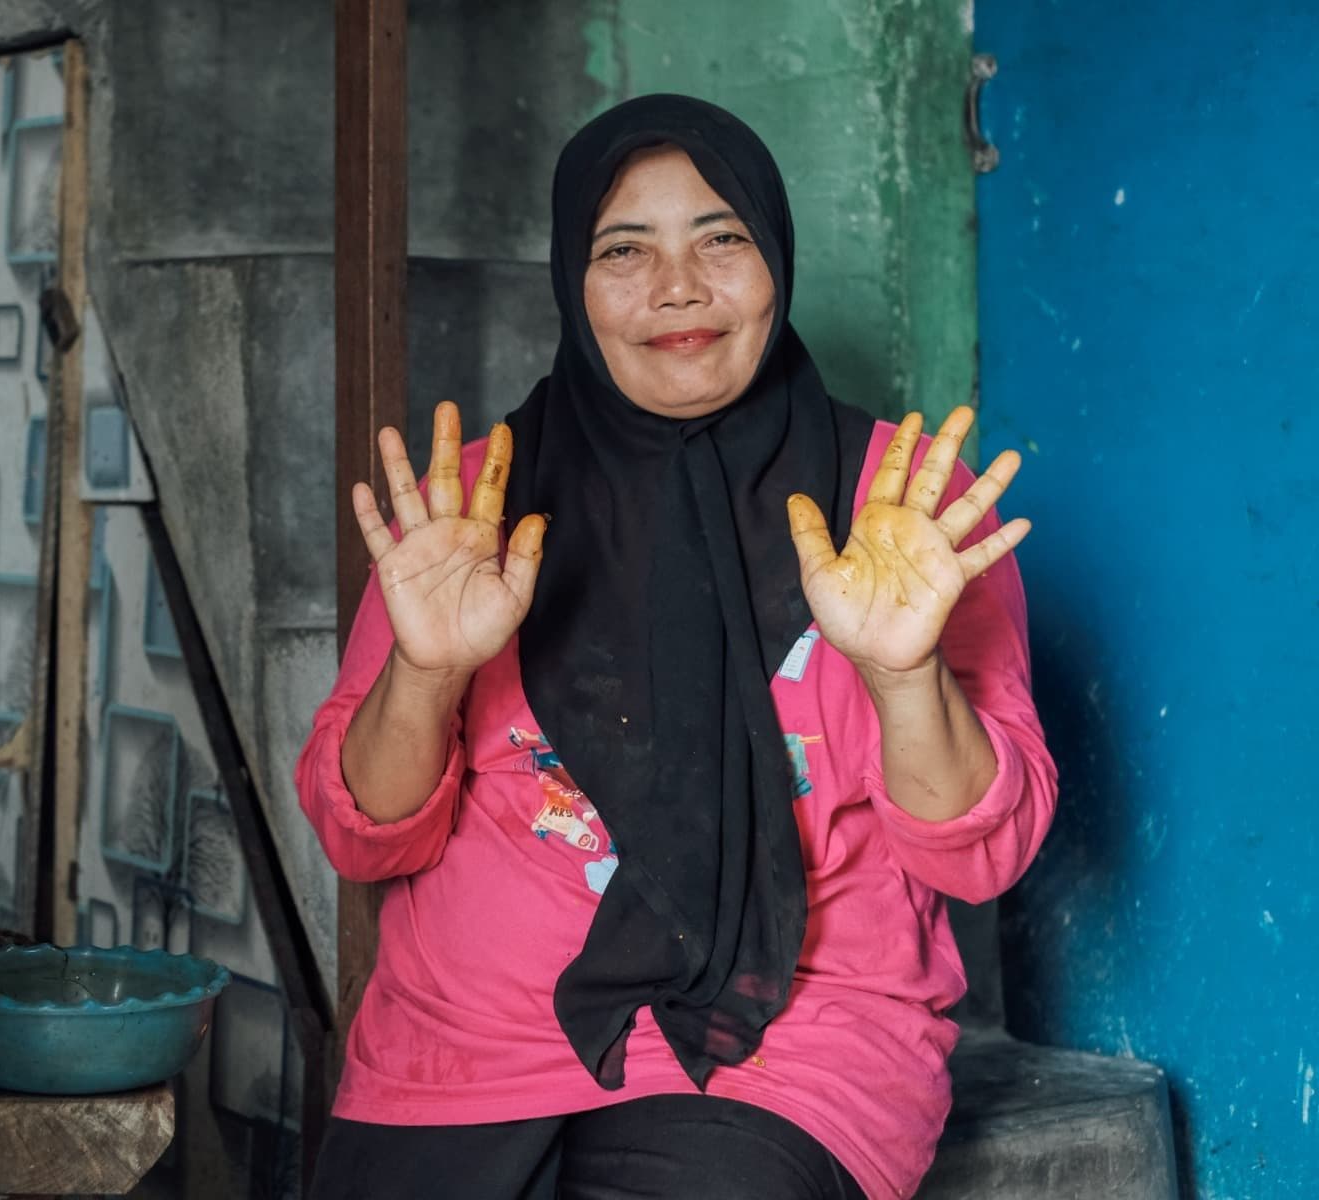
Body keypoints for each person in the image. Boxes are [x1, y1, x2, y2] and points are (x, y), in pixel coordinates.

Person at [296, 94, 1057, 1200]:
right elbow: (367, 840)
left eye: (722, 238)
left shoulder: (902, 512)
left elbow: (975, 856)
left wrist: (903, 677)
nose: (678, 289)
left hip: (789, 1048)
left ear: (775, 259)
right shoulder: (474, 512)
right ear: (572, 278)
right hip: (460, 1049)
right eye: (624, 250)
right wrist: (427, 670)